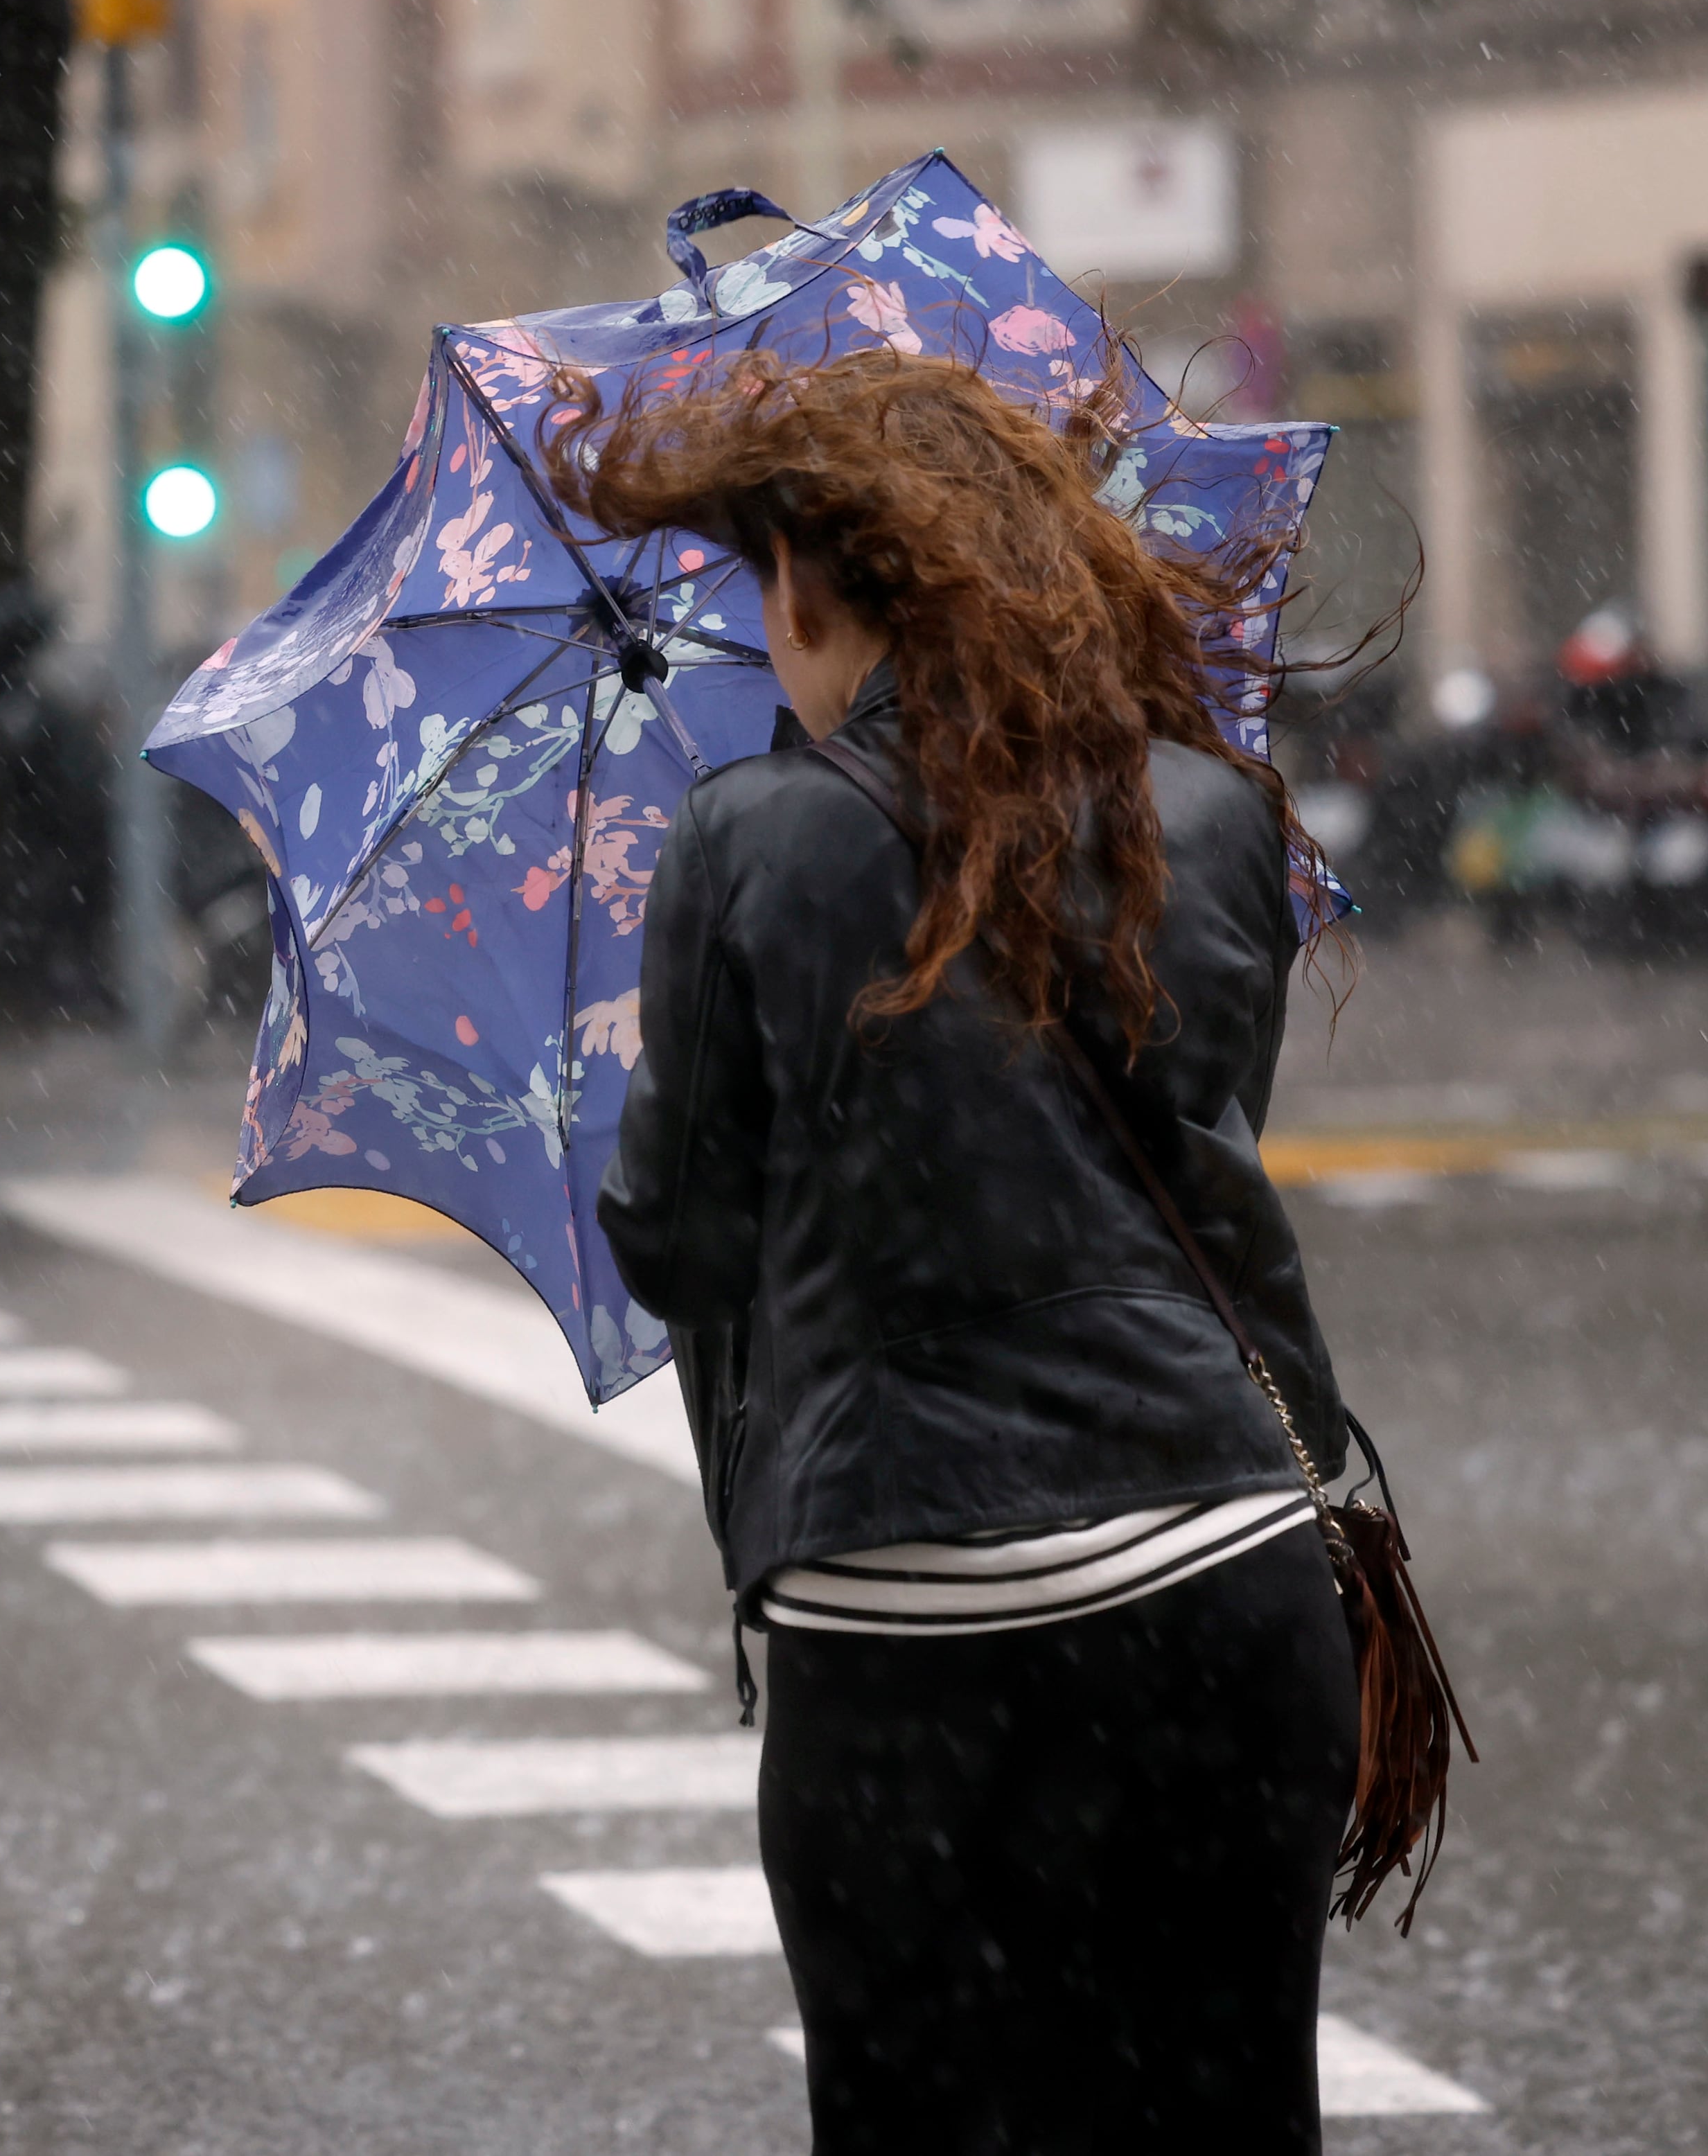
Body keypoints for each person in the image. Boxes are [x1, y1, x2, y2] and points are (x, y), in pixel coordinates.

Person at [572, 349, 1358, 2155]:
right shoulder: (1213, 818)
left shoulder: (751, 841)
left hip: (912, 1607)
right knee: (1228, 2116)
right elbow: (1166, 1154)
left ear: (803, 583)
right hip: (1229, 1575)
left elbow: (682, 1241)